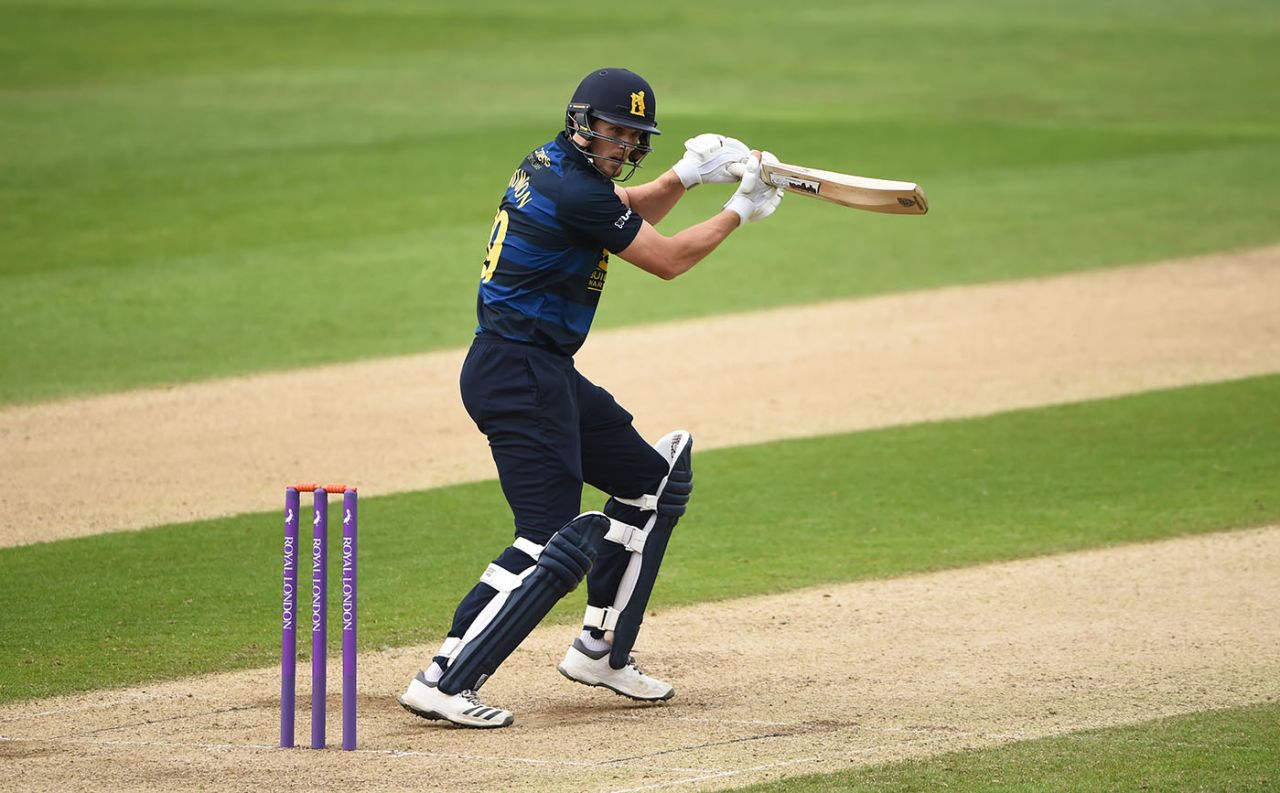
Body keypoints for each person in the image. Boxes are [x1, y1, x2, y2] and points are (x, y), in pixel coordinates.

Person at [398, 67, 783, 728]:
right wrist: (740, 211)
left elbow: (622, 213)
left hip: (539, 369)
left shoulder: (555, 166)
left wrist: (687, 176)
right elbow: (667, 259)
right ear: (582, 123)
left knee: (649, 484)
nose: (625, 145)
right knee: (547, 537)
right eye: (615, 131)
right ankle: (443, 678)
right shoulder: (578, 190)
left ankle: (599, 651)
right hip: (519, 374)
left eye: (635, 137)